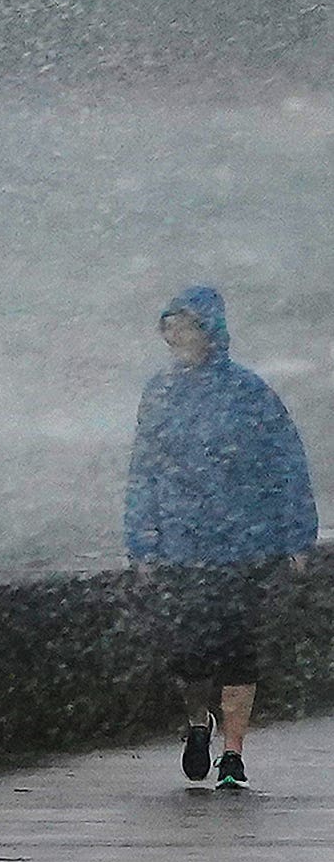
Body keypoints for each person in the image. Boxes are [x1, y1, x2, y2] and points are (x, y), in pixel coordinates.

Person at [125, 285, 319, 787]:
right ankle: (197, 724)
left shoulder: (250, 392)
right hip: (181, 547)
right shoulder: (160, 393)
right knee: (188, 652)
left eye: (185, 327)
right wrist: (142, 542)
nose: (177, 338)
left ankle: (232, 754)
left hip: (245, 545)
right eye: (170, 329)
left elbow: (286, 464)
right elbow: (144, 469)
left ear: (210, 331)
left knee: (238, 650)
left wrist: (298, 535)